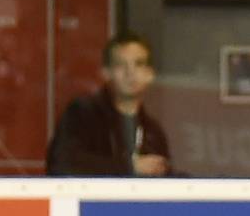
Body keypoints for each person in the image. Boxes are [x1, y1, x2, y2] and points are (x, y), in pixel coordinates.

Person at [47, 32, 172, 177]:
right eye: (121, 65)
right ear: (106, 73)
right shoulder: (83, 114)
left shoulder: (153, 132)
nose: (130, 73)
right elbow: (62, 164)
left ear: (150, 74)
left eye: (139, 64)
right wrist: (130, 167)